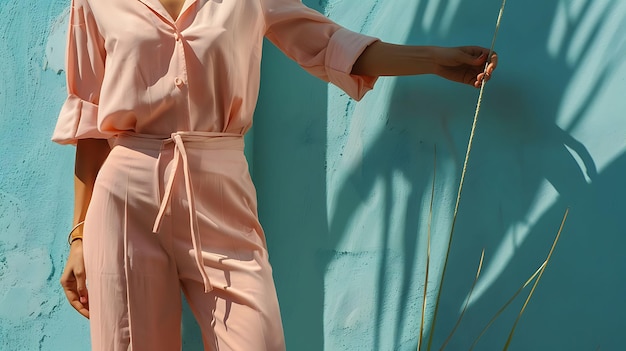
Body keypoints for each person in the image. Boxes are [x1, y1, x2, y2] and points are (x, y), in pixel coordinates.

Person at [55, 0, 497, 350]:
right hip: (125, 194)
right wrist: (78, 237)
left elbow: (327, 42)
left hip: (220, 187)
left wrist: (434, 59)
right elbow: (89, 123)